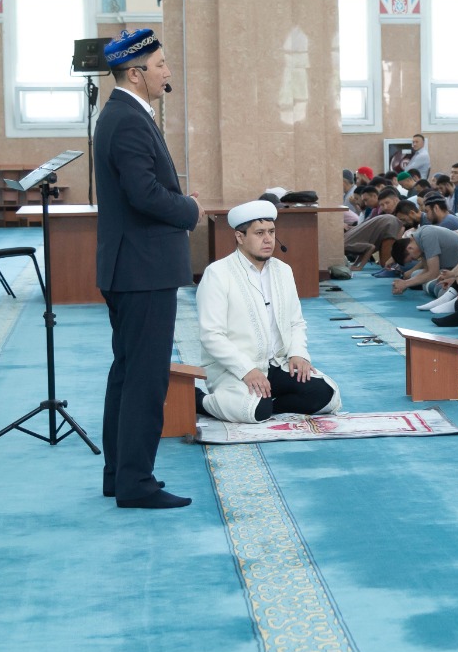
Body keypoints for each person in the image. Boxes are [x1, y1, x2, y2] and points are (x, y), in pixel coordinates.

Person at [93, 29, 203, 509]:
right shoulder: (128, 120)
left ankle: (119, 474)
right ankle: (137, 482)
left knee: (127, 372)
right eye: (160, 65)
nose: (167, 72)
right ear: (135, 73)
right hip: (142, 269)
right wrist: (189, 209)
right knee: (145, 378)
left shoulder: (122, 114)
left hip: (133, 266)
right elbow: (144, 194)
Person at [195, 201, 340, 424]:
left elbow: (296, 322)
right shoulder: (218, 274)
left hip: (277, 363)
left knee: (326, 395)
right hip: (233, 368)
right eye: (259, 233)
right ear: (240, 237)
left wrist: (298, 354)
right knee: (254, 411)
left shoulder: (283, 271)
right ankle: (200, 401)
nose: (268, 239)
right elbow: (211, 336)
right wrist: (247, 369)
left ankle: (267, 403)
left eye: (271, 232)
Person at [390, 205, 458, 296]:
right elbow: (427, 270)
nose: (415, 259)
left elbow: (433, 273)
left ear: (410, 248)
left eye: (412, 258)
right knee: (415, 274)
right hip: (451, 268)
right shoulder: (420, 239)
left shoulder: (426, 236)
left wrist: (406, 284)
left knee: (439, 286)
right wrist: (406, 282)